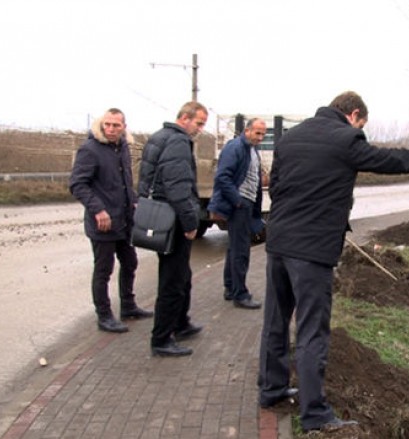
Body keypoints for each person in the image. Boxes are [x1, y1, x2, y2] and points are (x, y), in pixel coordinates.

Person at [258, 91, 409, 432]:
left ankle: (271, 390)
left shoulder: (290, 137)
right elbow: (390, 161)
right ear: (354, 115)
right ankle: (315, 414)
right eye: (362, 125)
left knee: (276, 320)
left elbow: (277, 188)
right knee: (312, 330)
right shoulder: (346, 137)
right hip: (311, 251)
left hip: (279, 243)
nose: (362, 131)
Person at [70, 108, 153, 333]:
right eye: (107, 124)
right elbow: (78, 184)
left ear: (124, 127)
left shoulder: (123, 148)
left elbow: (125, 182)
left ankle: (128, 306)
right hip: (102, 223)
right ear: (101, 125)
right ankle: (104, 316)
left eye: (116, 125)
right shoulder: (90, 149)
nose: (111, 129)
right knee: (103, 270)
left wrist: (134, 201)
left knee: (130, 262)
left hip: (124, 220)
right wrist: (98, 210)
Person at [137, 101, 208, 357]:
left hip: (161, 217)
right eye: (199, 123)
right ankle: (162, 339)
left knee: (181, 275)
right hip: (174, 220)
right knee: (173, 280)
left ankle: (181, 323)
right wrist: (191, 222)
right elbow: (178, 186)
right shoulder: (178, 142)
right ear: (185, 118)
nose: (200, 129)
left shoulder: (159, 137)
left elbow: (145, 180)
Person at [208, 118, 266, 310]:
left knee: (234, 247)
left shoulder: (251, 149)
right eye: (257, 133)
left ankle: (230, 287)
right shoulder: (235, 147)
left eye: (263, 134)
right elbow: (222, 177)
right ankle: (240, 294)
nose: (260, 137)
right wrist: (238, 201)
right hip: (240, 205)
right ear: (247, 131)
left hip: (246, 203)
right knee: (241, 250)